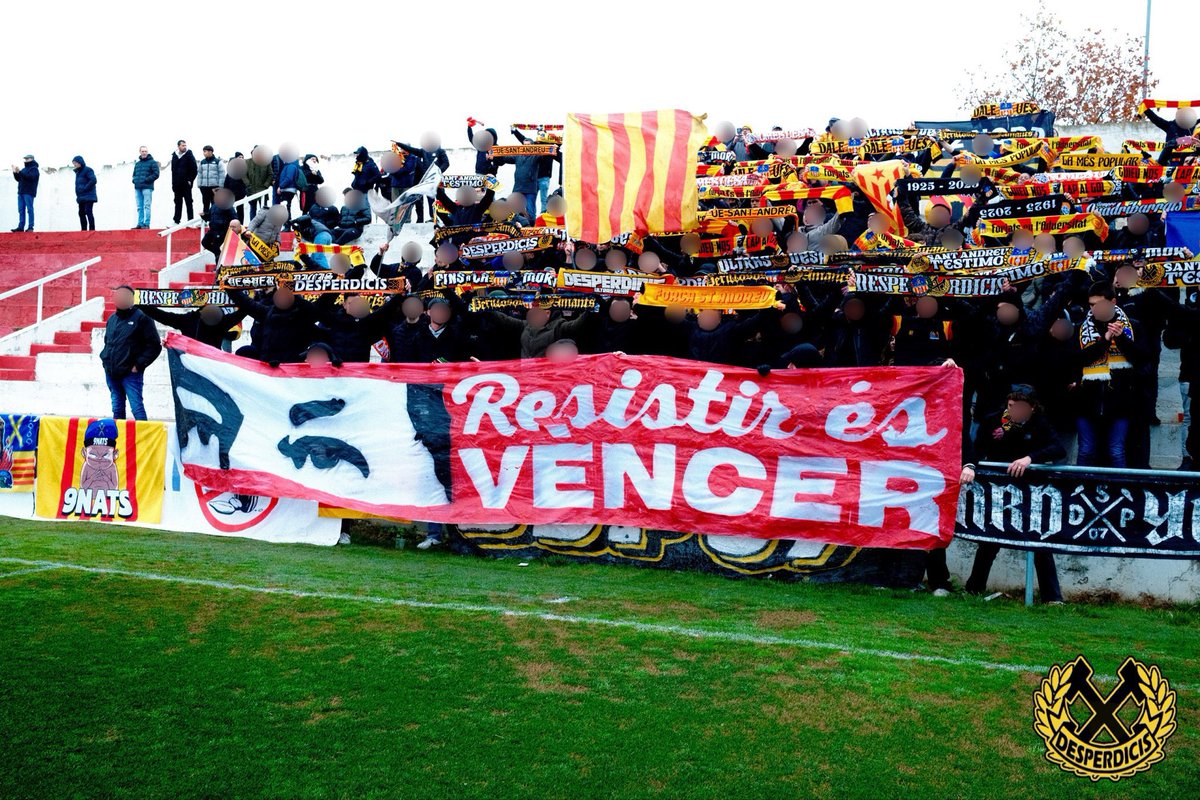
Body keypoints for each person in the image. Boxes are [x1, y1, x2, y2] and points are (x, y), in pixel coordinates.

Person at [960, 386, 1066, 603]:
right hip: (1000, 491)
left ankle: (1052, 597)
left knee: (1039, 541)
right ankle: (973, 589)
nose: (1013, 411)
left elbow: (1059, 448)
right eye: (1010, 406)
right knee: (989, 539)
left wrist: (1030, 458)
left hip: (1031, 494)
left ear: (1032, 408)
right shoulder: (994, 420)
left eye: (1019, 407)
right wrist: (971, 466)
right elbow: (977, 449)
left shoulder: (1041, 423)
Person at [1075, 281, 1149, 468]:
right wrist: (1105, 342)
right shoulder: (1081, 328)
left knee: (1116, 450)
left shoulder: (1134, 326)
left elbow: (1142, 359)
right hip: (1088, 401)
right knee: (1086, 451)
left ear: (1113, 301)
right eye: (1091, 305)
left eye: (1099, 304)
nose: (1094, 309)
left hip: (1121, 401)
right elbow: (1077, 359)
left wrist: (1121, 338)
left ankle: (1121, 490)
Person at [99, 286, 162, 420]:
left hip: (131, 373)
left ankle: (144, 439)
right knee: (117, 408)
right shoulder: (112, 319)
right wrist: (106, 362)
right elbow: (108, 342)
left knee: (137, 408)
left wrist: (138, 365)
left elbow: (155, 346)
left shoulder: (143, 318)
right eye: (118, 295)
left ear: (132, 299)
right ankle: (119, 438)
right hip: (111, 372)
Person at [138, 302, 246, 349]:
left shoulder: (220, 321)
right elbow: (163, 316)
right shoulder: (187, 320)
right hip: (193, 361)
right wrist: (141, 304)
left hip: (210, 363)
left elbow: (242, 312)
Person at [131, 146, 160, 229]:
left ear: (147, 152)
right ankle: (140, 224)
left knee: (147, 205)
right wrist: (134, 180)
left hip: (147, 187)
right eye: (142, 151)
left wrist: (147, 180)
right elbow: (134, 174)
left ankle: (146, 224)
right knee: (139, 206)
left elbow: (156, 174)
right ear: (140, 152)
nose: (144, 153)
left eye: (145, 151)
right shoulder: (137, 164)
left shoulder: (152, 162)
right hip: (138, 187)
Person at [170, 139, 198, 224]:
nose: (184, 147)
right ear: (178, 146)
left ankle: (191, 221)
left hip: (186, 184)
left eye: (185, 145)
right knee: (178, 202)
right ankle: (176, 221)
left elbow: (194, 169)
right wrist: (173, 183)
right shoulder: (174, 156)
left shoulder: (189, 155)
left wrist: (190, 180)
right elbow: (173, 171)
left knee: (189, 202)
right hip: (177, 184)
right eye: (183, 145)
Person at [11, 154, 38, 232]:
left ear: (32, 159)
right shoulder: (24, 169)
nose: (25, 160)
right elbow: (19, 179)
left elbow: (30, 177)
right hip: (21, 192)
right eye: (25, 159)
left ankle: (30, 227)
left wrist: (20, 172)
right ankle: (21, 227)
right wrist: (15, 172)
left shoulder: (34, 169)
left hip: (29, 192)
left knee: (29, 209)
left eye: (27, 158)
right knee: (21, 209)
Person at [195, 146, 225, 216]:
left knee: (215, 204)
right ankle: (205, 220)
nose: (204, 153)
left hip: (215, 187)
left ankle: (214, 219)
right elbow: (199, 173)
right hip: (204, 187)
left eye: (205, 151)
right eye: (203, 151)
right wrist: (200, 185)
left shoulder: (218, 162)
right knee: (205, 203)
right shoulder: (202, 162)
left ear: (210, 152)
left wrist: (220, 186)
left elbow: (222, 174)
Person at [245, 146, 273, 218]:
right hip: (251, 190)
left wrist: (266, 185)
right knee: (252, 209)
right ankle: (252, 227)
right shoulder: (247, 162)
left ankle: (263, 227)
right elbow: (243, 174)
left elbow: (270, 174)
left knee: (264, 210)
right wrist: (248, 184)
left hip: (263, 190)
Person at [71, 156, 98, 231]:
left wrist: (85, 189)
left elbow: (93, 180)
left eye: (75, 163)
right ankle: (84, 231)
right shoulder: (78, 173)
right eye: (74, 163)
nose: (74, 165)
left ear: (80, 162)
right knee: (81, 213)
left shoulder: (88, 170)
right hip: (81, 197)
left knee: (88, 211)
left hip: (89, 196)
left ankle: (92, 230)